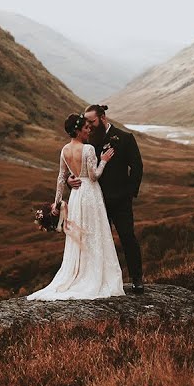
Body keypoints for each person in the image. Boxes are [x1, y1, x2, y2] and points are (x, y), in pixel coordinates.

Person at [27, 113, 125, 301]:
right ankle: (93, 274)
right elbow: (94, 175)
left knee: (81, 235)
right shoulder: (87, 149)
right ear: (78, 130)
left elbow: (61, 178)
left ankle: (80, 272)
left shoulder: (64, 150)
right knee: (94, 232)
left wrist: (56, 203)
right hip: (90, 193)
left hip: (76, 196)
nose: (89, 131)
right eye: (86, 128)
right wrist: (104, 160)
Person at [68, 104, 144, 294]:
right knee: (96, 241)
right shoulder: (86, 143)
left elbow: (137, 167)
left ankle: (137, 279)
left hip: (120, 201)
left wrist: (129, 193)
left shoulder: (125, 138)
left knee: (127, 237)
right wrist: (71, 180)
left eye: (92, 122)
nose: (90, 126)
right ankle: (97, 280)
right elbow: (77, 167)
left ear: (103, 117)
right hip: (95, 201)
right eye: (87, 123)